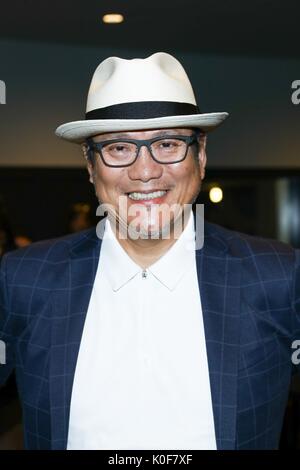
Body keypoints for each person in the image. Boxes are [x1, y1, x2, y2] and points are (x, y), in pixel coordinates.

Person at [0, 52, 299, 450]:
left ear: (201, 155)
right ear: (90, 166)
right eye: (120, 148)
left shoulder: (278, 275)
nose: (145, 172)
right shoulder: (23, 279)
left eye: (169, 143)